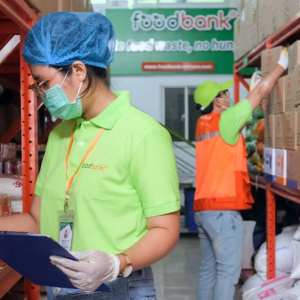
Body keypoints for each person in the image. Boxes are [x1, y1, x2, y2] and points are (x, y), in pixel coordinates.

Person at [0, 12, 181, 299]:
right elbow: (38, 221)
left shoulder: (143, 133)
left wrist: (115, 263)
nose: (40, 94)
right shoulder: (61, 136)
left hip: (118, 285)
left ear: (79, 71)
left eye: (43, 83)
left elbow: (165, 229)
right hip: (62, 286)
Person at [193, 48, 289, 300]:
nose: (228, 97)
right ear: (217, 100)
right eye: (225, 94)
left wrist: (250, 93)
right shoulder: (224, 122)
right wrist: (281, 65)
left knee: (209, 269)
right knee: (228, 272)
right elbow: (260, 94)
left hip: (203, 210)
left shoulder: (205, 124)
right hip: (223, 211)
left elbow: (239, 118)